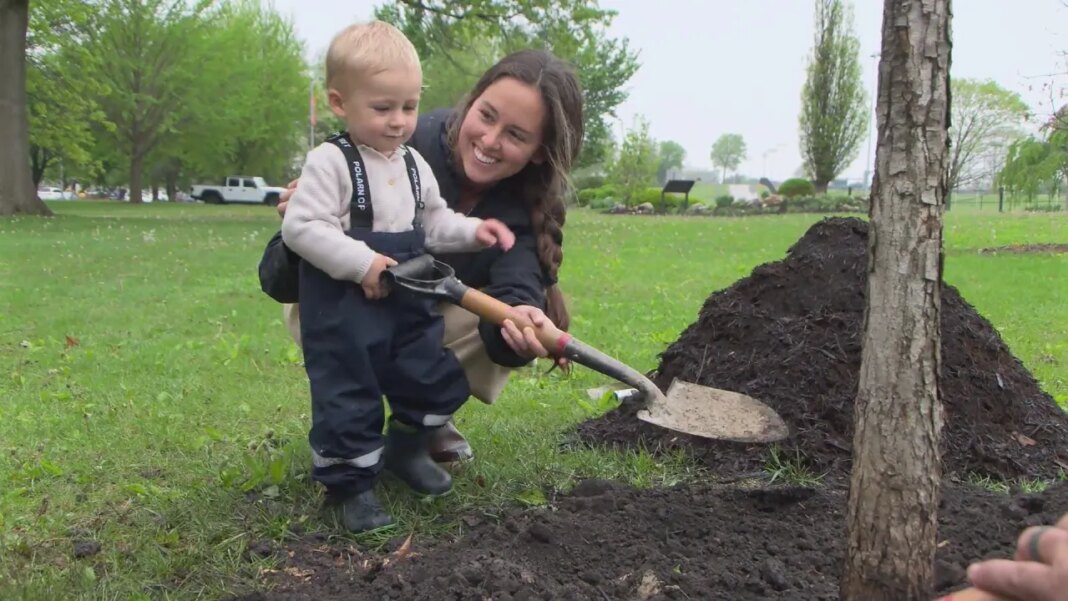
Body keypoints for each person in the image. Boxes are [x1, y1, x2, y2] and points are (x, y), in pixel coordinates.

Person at [261, 47, 584, 466]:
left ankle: (419, 423)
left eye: (516, 135)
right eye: (486, 116)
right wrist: (302, 225)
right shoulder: (395, 135)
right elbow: (277, 279)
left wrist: (523, 321)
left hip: (419, 322)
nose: (489, 141)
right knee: (347, 374)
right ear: (471, 102)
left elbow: (513, 296)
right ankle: (350, 451)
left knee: (506, 311)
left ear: (539, 151)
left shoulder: (521, 211)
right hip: (337, 304)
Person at [281, 20, 518, 534]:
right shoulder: (331, 162)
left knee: (429, 375)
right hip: (343, 310)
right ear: (340, 103)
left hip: (407, 304)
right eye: (382, 108)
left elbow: (432, 221)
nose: (398, 122)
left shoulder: (413, 164)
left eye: (409, 107)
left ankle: (407, 449)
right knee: (349, 393)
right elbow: (302, 228)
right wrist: (362, 263)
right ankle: (351, 488)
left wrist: (474, 232)